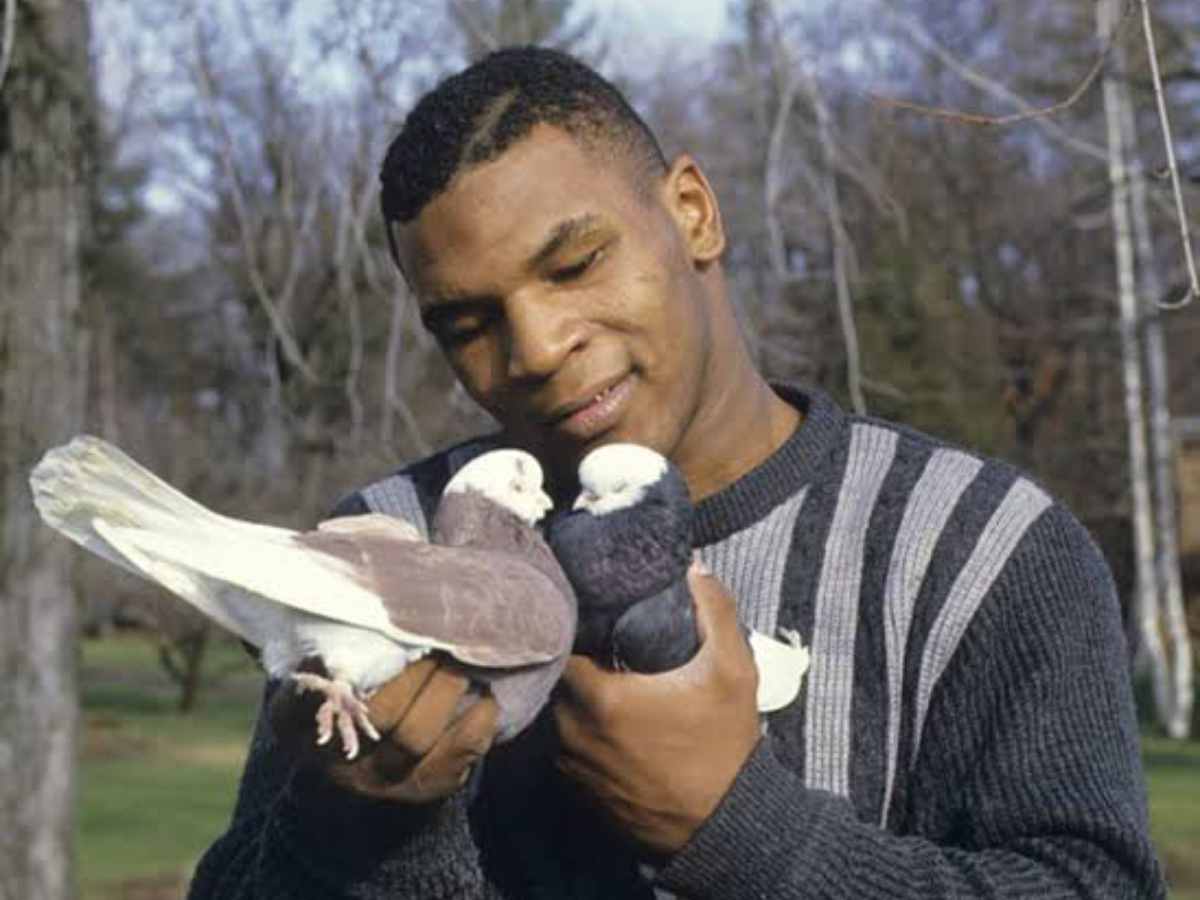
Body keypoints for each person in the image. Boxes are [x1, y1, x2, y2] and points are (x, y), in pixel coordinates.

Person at [189, 46, 1166, 899]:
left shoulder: (982, 552)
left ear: (693, 214)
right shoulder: (389, 545)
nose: (534, 347)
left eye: (574, 265)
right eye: (468, 323)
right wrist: (350, 826)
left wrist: (746, 837)